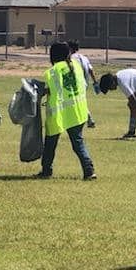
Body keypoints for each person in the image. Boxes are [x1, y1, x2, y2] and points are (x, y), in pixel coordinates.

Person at [38, 42, 96, 180]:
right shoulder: (76, 66)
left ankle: (46, 170)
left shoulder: (53, 71)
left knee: (50, 144)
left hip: (60, 112)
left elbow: (54, 89)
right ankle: (89, 170)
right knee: (78, 143)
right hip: (78, 111)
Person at [99, 69, 136, 140]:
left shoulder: (122, 82)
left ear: (111, 83)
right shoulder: (119, 76)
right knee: (133, 106)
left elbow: (133, 100)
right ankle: (132, 132)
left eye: (109, 88)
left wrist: (134, 105)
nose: (111, 90)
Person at [68, 40, 99, 128]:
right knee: (79, 101)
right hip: (85, 84)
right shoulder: (84, 58)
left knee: (76, 102)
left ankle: (89, 120)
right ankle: (86, 120)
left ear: (70, 48)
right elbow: (91, 70)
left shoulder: (71, 58)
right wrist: (95, 82)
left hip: (76, 84)